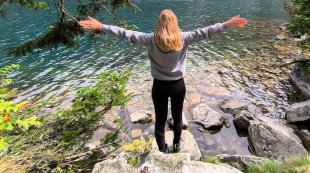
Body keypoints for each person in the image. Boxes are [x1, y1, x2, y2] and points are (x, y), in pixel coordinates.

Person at [78, 10, 247, 153]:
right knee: (177, 117)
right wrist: (228, 24)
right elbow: (207, 31)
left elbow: (125, 34)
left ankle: (162, 149)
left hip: (158, 86)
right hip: (178, 86)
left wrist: (102, 26)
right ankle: (176, 144)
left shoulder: (150, 39)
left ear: (159, 23)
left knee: (160, 120)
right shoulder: (184, 38)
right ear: (175, 23)